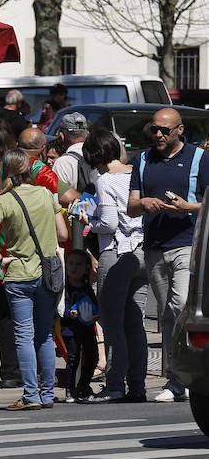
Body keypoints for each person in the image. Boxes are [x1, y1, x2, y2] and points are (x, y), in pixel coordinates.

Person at [128, 107, 209, 402]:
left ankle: (185, 379)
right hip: (155, 247)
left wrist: (188, 208)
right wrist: (145, 201)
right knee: (169, 315)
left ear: (180, 130)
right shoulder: (143, 159)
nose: (158, 135)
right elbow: (131, 206)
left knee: (180, 307)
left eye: (164, 130)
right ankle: (175, 380)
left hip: (188, 243)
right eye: (154, 129)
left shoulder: (200, 159)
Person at [0, 148, 68, 410]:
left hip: (19, 274)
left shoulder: (4, 200)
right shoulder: (44, 194)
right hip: (46, 274)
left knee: (23, 335)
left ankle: (30, 395)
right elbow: (62, 234)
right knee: (45, 336)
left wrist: (0, 259)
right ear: (29, 169)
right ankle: (47, 393)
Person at [82, 128, 148, 403]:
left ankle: (115, 384)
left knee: (113, 324)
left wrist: (88, 221)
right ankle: (137, 385)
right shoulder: (137, 172)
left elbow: (108, 223)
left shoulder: (105, 180)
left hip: (116, 251)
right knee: (135, 323)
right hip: (143, 251)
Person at [60, 249, 99, 402]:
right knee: (73, 358)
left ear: (86, 268)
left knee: (92, 356)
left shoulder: (86, 287)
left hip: (88, 327)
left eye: (78, 264)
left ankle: (84, 385)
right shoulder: (65, 287)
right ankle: (70, 389)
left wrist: (97, 313)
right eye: (70, 264)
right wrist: (70, 313)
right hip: (71, 329)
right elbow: (61, 308)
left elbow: (94, 305)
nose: (74, 268)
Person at [52, 112, 95, 195]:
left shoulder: (63, 163)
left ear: (62, 136)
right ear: (87, 134)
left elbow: (58, 196)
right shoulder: (99, 156)